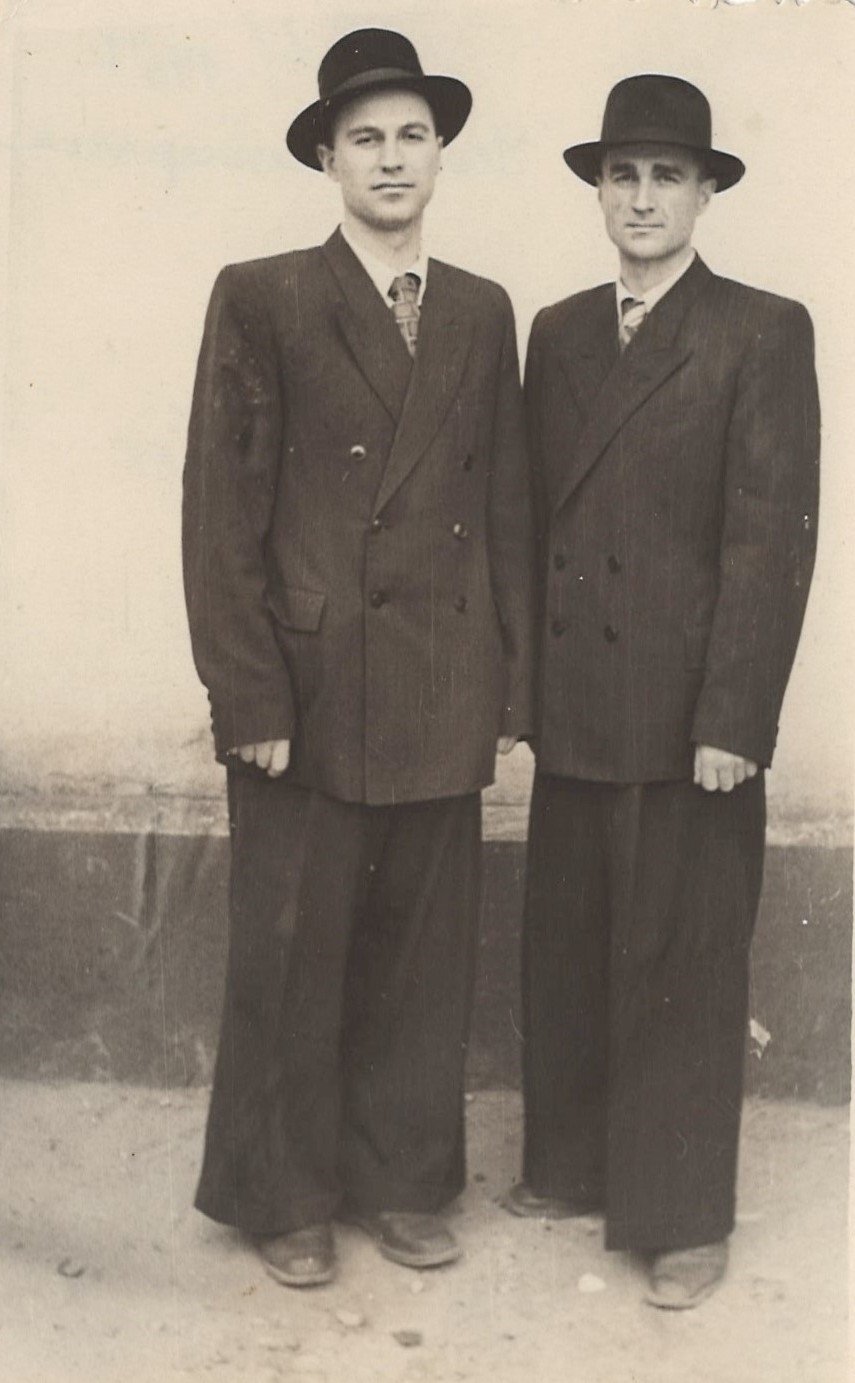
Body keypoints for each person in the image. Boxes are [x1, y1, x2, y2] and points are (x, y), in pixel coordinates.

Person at [182, 28, 533, 1288]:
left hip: (442, 682)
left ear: (440, 154)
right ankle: (284, 1194)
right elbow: (220, 512)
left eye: (413, 136)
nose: (392, 158)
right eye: (366, 138)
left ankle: (404, 1183)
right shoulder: (263, 293)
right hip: (309, 692)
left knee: (422, 954)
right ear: (327, 159)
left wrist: (512, 687)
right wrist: (248, 694)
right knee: (294, 951)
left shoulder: (482, 310)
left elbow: (508, 509)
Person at [509, 74, 819, 1309]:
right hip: (580, 702)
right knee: (572, 940)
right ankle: (571, 1167)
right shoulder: (558, 331)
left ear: (704, 195)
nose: (642, 198)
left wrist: (735, 719)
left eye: (667, 177)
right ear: (599, 191)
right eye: (622, 175)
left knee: (682, 959)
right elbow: (534, 523)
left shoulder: (761, 328)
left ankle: (683, 1216)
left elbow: (769, 541)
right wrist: (524, 698)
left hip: (692, 713)